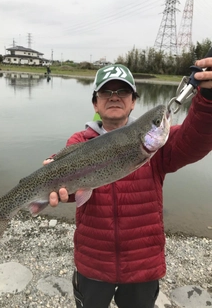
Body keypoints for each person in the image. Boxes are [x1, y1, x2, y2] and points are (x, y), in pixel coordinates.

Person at [43, 61, 212, 308]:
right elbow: (73, 191)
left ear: (133, 101)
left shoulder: (158, 146)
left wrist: (207, 98)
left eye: (122, 91)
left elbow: (196, 138)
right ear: (95, 103)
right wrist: (59, 191)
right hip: (93, 261)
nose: (114, 97)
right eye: (106, 92)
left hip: (143, 263)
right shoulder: (79, 141)